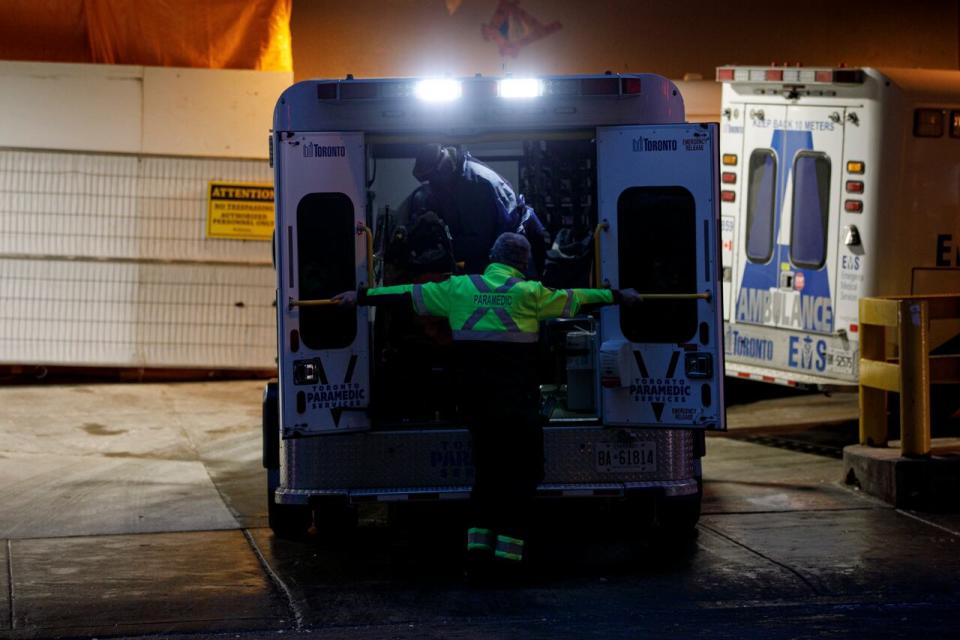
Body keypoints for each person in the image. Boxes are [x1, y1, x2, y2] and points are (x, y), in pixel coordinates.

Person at [333, 232, 641, 582]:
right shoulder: (530, 294)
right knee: (521, 480)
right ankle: (508, 563)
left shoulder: (458, 289)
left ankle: (477, 558)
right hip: (518, 408)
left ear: (493, 257)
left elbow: (403, 296)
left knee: (486, 478)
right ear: (522, 264)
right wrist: (619, 296)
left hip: (477, 408)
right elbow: (578, 299)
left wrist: (357, 297)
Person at [403, 144, 550, 276]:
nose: (430, 184)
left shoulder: (474, 185)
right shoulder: (455, 175)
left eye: (431, 179)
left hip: (519, 248)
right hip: (498, 243)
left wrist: (442, 253)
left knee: (509, 298)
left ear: (442, 170)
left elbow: (477, 243)